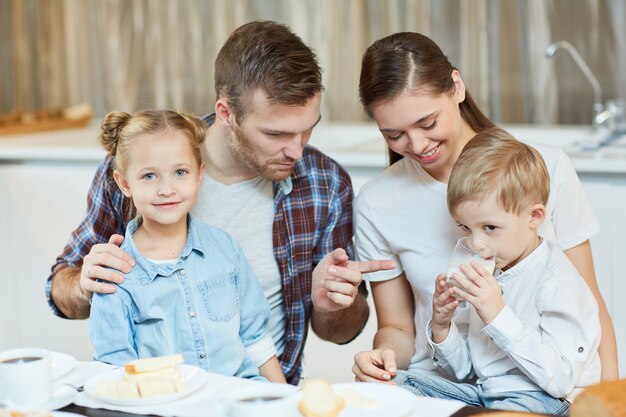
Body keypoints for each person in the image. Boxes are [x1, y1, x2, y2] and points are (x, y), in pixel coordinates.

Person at [46, 21, 394, 385]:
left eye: (308, 128)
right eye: (276, 133)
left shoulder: (324, 182)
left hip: (260, 396)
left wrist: (330, 303)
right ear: (226, 113)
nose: (297, 149)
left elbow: (338, 332)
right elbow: (60, 289)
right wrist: (85, 285)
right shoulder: (141, 166)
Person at [352, 31, 617, 383]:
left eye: (428, 123)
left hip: (540, 385)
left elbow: (589, 305)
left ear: (457, 87)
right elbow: (397, 328)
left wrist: (612, 399)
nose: (416, 145)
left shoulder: (545, 168)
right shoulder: (377, 202)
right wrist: (382, 356)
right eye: (393, 134)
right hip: (444, 384)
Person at [394, 128, 600, 414]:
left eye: (490, 228)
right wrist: (442, 326)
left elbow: (561, 379)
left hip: (546, 401)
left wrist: (497, 314)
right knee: (393, 385)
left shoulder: (556, 281)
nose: (477, 244)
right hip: (488, 394)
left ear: (534, 217)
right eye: (465, 228)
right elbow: (465, 372)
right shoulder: (492, 272)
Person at [89, 109, 285, 383]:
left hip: (239, 399)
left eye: (180, 172)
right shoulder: (114, 276)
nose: (167, 188)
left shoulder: (226, 248)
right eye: (149, 176)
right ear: (124, 183)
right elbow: (117, 373)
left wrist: (286, 401)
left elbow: (256, 339)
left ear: (199, 175)